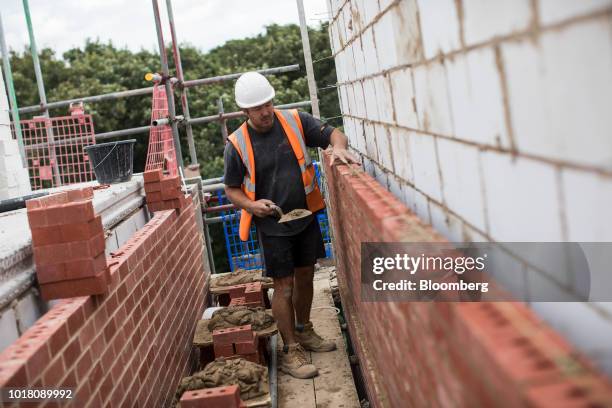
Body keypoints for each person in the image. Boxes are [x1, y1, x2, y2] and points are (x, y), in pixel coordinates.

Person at [223, 72, 357, 379]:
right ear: (245, 112)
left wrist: (339, 148)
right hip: (272, 224)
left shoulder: (296, 121)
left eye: (268, 103)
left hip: (304, 215)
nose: (265, 111)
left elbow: (333, 134)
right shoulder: (237, 144)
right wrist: (252, 205)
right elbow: (231, 188)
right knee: (283, 287)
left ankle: (304, 329)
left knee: (306, 275)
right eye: (257, 108)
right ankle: (290, 349)